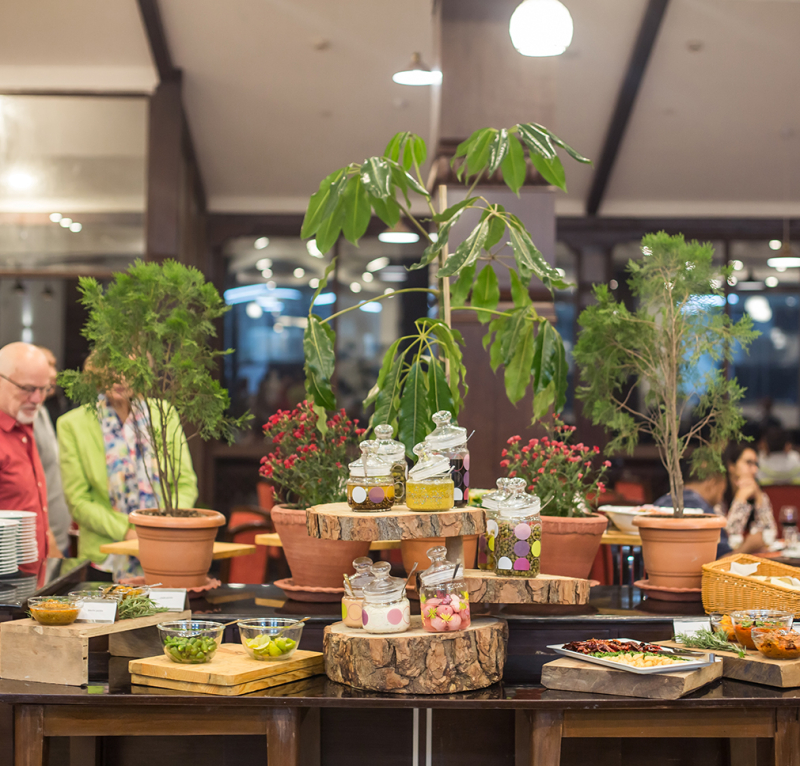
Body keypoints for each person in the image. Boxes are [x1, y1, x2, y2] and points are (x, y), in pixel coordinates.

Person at [57, 360, 198, 581]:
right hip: (104, 560)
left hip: (165, 552)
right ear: (97, 373)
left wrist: (164, 529)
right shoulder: (72, 424)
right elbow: (78, 501)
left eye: (130, 372)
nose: (120, 378)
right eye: (111, 369)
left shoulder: (164, 414)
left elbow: (186, 484)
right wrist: (129, 532)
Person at [0, 342, 58, 583]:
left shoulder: (23, 425)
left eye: (43, 389)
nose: (37, 399)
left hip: (32, 581)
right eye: (27, 388)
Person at [32, 346, 71, 556]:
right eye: (48, 365)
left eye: (54, 365)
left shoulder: (43, 411)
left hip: (57, 536)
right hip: (42, 542)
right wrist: (47, 535)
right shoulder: (24, 417)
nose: (54, 374)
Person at [653, 464, 732, 558]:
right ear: (712, 484)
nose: (720, 499)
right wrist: (750, 545)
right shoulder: (705, 513)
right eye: (722, 492)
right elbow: (723, 557)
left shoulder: (659, 503)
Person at [723, 441, 778, 553]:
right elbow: (727, 539)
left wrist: (759, 499)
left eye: (756, 464)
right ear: (731, 466)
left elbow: (770, 536)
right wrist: (740, 500)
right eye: (748, 463)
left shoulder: (757, 492)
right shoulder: (719, 495)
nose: (755, 470)